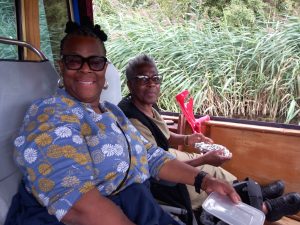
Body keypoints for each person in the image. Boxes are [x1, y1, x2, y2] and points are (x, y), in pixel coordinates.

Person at [4, 20, 241, 225]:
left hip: (135, 205)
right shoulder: (51, 114)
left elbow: (152, 156)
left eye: (95, 62)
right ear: (62, 65)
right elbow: (77, 206)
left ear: (104, 68)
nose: (86, 69)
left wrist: (205, 180)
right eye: (75, 61)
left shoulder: (111, 113)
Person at [118, 53, 300, 223]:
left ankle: (256, 192)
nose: (151, 84)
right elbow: (156, 167)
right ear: (130, 84)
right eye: (143, 79)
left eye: (155, 78)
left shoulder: (148, 104)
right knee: (209, 179)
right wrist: (204, 159)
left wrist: (188, 139)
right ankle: (264, 207)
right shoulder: (132, 119)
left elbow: (164, 136)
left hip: (167, 155)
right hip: (160, 177)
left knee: (217, 171)